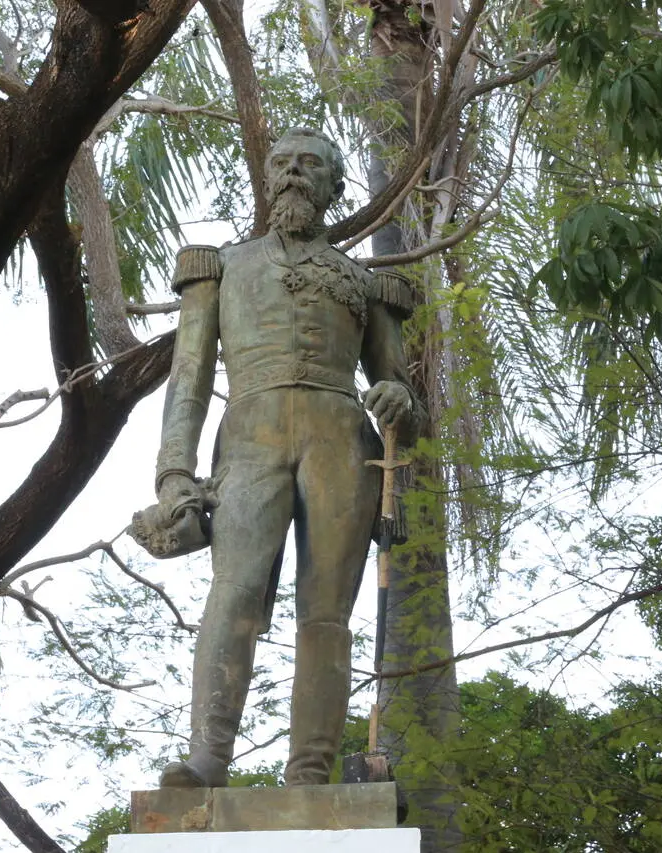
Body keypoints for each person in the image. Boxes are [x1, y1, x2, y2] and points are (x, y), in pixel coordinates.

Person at [153, 126, 421, 788]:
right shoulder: (222, 268)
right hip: (250, 437)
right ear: (268, 179)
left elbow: (400, 395)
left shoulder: (365, 283)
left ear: (335, 185)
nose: (294, 173)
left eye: (310, 164)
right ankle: (207, 758)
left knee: (326, 613)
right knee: (233, 592)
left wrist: (397, 396)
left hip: (341, 440)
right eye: (283, 163)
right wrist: (173, 474)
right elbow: (188, 376)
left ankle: (309, 772)